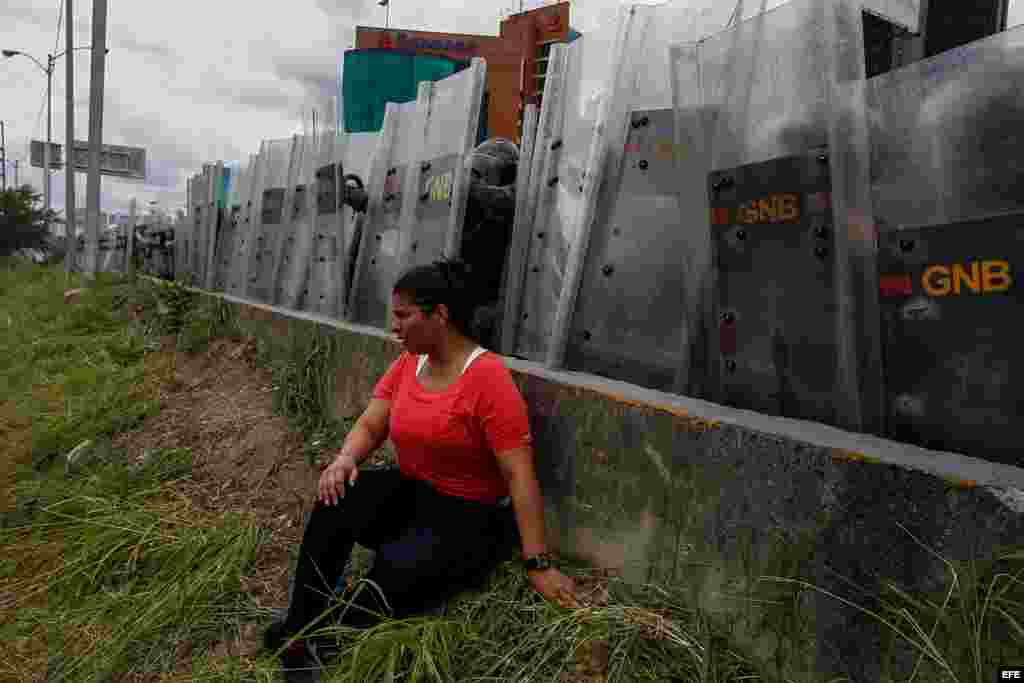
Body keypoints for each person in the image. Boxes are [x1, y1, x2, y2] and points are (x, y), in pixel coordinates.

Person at [266, 258, 577, 675]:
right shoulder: (411, 361)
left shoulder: (487, 379)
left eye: (403, 315)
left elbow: (520, 475)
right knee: (335, 499)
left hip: (467, 516)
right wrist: (344, 460)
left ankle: (330, 643)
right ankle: (300, 625)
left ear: (440, 315)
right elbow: (372, 422)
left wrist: (539, 563)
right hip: (414, 493)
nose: (394, 326)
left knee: (393, 571)